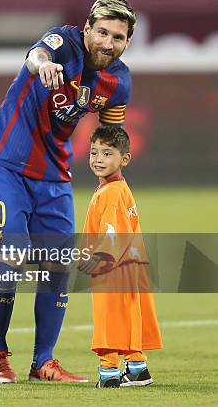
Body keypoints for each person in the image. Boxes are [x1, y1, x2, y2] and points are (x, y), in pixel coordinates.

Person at [0, 0, 136, 383]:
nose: (107, 42)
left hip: (55, 176)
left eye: (118, 36)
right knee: (12, 254)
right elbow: (35, 55)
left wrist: (113, 185)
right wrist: (44, 66)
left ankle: (43, 363)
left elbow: (110, 137)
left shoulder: (120, 82)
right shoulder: (62, 44)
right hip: (6, 164)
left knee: (57, 266)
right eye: (102, 32)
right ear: (87, 28)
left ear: (127, 42)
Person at [78, 126, 162, 388]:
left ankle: (110, 373)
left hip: (113, 270)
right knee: (128, 317)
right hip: (130, 267)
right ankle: (137, 369)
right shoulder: (118, 188)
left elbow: (113, 232)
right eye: (94, 152)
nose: (98, 159)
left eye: (107, 153)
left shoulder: (111, 193)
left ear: (124, 159)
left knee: (109, 320)